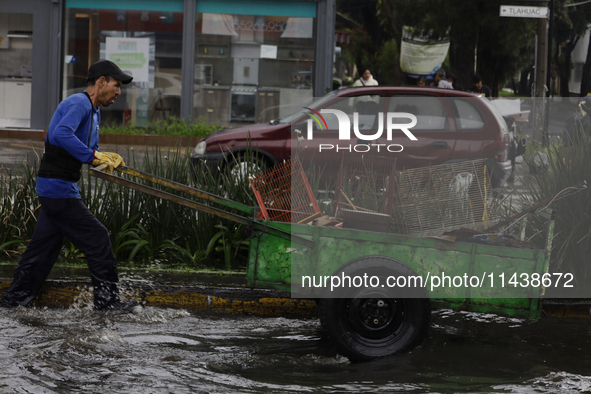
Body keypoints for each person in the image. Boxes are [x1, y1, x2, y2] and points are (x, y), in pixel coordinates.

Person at [0, 60, 139, 312]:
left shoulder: (94, 112)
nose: (119, 92)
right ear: (100, 82)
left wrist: (104, 157)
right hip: (57, 188)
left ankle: (13, 300)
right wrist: (94, 157)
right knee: (98, 237)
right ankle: (107, 303)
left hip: (60, 187)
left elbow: (86, 148)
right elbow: (61, 134)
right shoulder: (78, 103)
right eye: (116, 86)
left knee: (43, 250)